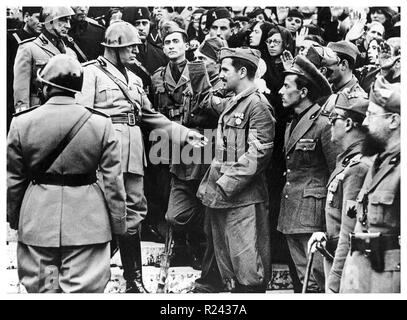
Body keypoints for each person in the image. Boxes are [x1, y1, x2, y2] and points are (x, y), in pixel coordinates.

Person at [77, 21, 206, 293]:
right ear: (114, 47)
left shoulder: (135, 79)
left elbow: (149, 115)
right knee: (107, 211)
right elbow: (82, 118)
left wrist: (183, 134)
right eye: (131, 46)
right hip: (106, 151)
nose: (137, 50)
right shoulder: (91, 73)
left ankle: (134, 281)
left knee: (134, 213)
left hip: (134, 152)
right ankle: (86, 273)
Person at [7, 54, 127, 293]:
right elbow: (113, 182)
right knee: (81, 292)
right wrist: (118, 225)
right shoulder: (101, 123)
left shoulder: (22, 123)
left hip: (38, 223)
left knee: (45, 289)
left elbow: (13, 181)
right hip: (87, 224)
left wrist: (15, 218)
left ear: (46, 86)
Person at [193, 47, 275, 293]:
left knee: (249, 269)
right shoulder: (234, 102)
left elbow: (259, 154)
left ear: (242, 72)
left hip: (242, 199)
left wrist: (226, 183)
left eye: (225, 70)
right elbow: (206, 97)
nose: (220, 75)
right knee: (230, 264)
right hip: (224, 197)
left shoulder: (258, 105)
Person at [276, 55, 338, 293]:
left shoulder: (324, 123)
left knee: (316, 281)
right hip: (292, 210)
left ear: (303, 92)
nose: (281, 91)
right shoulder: (292, 123)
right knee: (304, 280)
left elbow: (335, 171)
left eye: (286, 86)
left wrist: (328, 222)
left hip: (313, 215)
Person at [307, 91, 372, 293]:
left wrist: (334, 280)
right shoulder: (346, 162)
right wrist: (324, 234)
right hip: (338, 259)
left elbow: (350, 233)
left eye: (334, 118)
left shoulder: (357, 168)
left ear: (349, 124)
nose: (329, 124)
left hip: (347, 268)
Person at [340, 76, 400, 293]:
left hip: (391, 282)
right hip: (363, 276)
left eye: (372, 115)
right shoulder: (377, 163)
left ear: (394, 120)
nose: (365, 123)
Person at [13, 6, 77, 112]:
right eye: (63, 20)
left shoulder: (70, 53)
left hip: (66, 110)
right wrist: (23, 115)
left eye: (69, 20)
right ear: (49, 22)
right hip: (39, 109)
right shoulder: (29, 48)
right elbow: (21, 89)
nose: (68, 26)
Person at [7, 6, 42, 132]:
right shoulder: (11, 39)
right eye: (38, 17)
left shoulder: (43, 41)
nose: (42, 22)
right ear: (27, 17)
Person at [321, 40, 367, 114]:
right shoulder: (326, 88)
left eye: (329, 63)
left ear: (343, 65)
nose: (324, 68)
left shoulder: (357, 100)